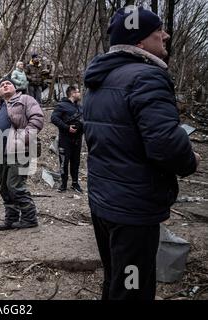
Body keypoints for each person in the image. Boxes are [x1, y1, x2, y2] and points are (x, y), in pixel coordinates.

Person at [83, 6, 201, 300]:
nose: (166, 35)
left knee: (117, 278)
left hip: (103, 200)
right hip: (133, 209)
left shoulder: (99, 81)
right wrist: (191, 160)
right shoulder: (147, 77)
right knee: (133, 288)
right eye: (157, 32)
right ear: (139, 42)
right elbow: (166, 144)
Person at [0, 77, 44, 230]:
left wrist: (23, 138)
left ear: (15, 88)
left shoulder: (25, 99)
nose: (5, 85)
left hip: (20, 151)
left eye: (8, 83)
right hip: (3, 152)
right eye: (2, 85)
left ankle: (30, 217)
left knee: (15, 185)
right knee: (4, 187)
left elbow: (38, 119)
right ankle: (11, 219)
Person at [51, 85, 83, 193]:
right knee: (64, 162)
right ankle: (63, 184)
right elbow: (54, 118)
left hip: (78, 140)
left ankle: (75, 183)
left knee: (76, 162)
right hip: (65, 140)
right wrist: (66, 127)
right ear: (72, 93)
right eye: (78, 92)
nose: (79, 94)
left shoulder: (79, 107)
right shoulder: (62, 105)